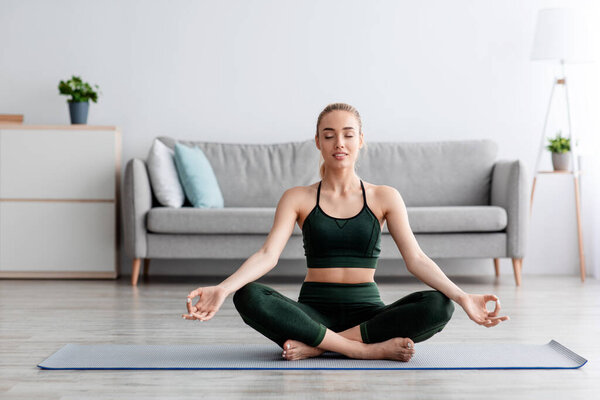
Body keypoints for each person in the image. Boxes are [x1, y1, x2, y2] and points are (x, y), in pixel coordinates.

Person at [182, 102, 509, 362]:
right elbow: (268, 255)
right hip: (310, 312)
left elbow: (417, 258)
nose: (339, 143)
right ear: (318, 142)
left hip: (368, 314)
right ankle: (363, 350)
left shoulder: (384, 196)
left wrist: (462, 295)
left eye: (348, 134)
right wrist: (223, 289)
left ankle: (320, 348)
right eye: (329, 135)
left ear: (361, 140)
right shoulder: (297, 197)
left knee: (440, 306)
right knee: (249, 295)